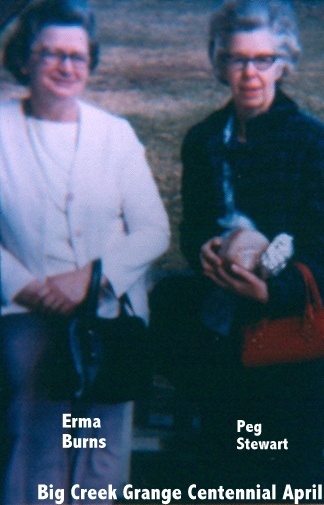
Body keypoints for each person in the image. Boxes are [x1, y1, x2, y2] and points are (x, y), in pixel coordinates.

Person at [150, 0, 324, 494]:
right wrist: (203, 251)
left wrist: (269, 293)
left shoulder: (313, 142)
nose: (250, 73)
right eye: (237, 59)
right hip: (221, 336)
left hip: (287, 341)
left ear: (284, 63)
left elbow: (320, 248)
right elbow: (194, 228)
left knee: (285, 474)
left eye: (263, 59)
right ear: (220, 64)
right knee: (226, 466)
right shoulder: (202, 140)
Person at [0, 0, 170, 503]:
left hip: (105, 320)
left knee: (97, 450)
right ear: (24, 59)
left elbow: (153, 230)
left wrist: (91, 279)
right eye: (50, 53)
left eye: (77, 55)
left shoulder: (115, 134)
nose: (65, 66)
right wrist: (24, 287)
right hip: (26, 314)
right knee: (37, 446)